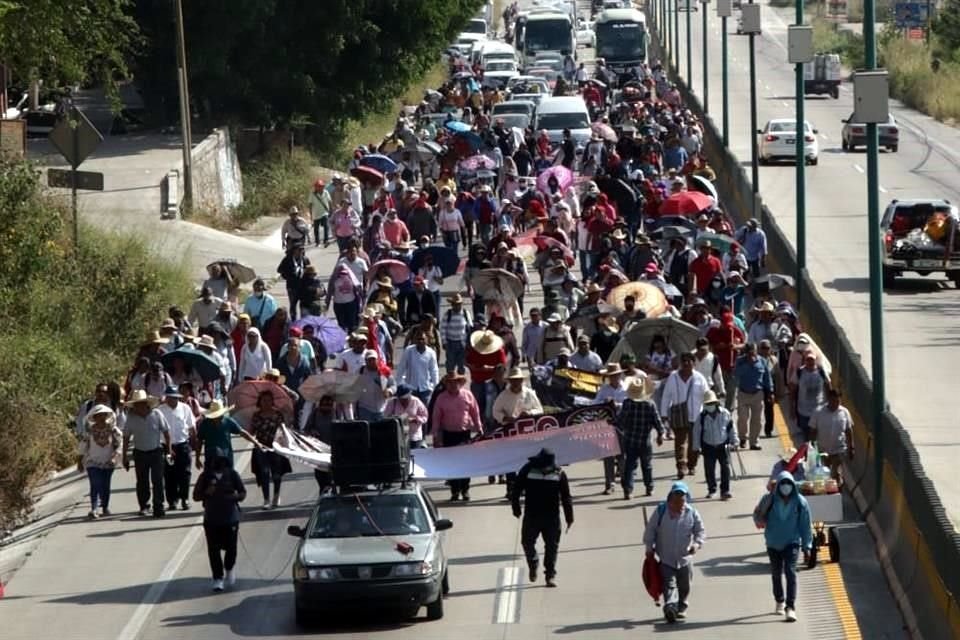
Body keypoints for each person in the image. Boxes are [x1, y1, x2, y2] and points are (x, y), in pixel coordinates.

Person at [754, 471, 813, 623]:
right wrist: (759, 521)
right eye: (783, 483)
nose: (786, 486)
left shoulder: (800, 502)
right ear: (778, 485)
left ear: (793, 485)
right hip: (773, 543)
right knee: (776, 573)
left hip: (792, 542)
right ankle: (779, 600)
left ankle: (790, 607)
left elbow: (805, 524)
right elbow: (757, 513)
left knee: (790, 572)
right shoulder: (769, 500)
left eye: (788, 483)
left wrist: (807, 545)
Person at [643, 482, 706, 624]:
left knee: (685, 586)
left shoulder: (692, 513)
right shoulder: (661, 512)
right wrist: (649, 548)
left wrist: (696, 545)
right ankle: (670, 607)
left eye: (682, 500)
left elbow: (700, 532)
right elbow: (650, 530)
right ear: (670, 499)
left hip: (685, 558)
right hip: (666, 558)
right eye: (676, 500)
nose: (679, 504)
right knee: (669, 584)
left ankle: (681, 608)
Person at [511, 448, 574, 588]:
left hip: (552, 517)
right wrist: (516, 508)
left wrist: (569, 517)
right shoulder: (528, 470)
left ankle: (550, 575)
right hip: (532, 515)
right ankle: (533, 562)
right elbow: (516, 489)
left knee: (552, 546)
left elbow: (566, 497)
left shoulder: (559, 473)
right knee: (527, 543)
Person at [193, 449, 247, 592]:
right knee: (213, 550)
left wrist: (234, 497)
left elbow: (243, 492)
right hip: (211, 519)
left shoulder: (232, 474)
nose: (218, 463)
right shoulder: (205, 476)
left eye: (221, 460)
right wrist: (207, 492)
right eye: (215, 461)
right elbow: (196, 496)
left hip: (230, 518)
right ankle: (218, 578)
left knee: (231, 548)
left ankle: (229, 567)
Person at [431, 372, 483, 501]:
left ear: (459, 382)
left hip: (464, 434)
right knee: (451, 464)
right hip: (449, 434)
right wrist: (435, 435)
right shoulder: (441, 398)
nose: (453, 384)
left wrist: (479, 428)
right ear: (446, 384)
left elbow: (475, 412)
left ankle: (465, 490)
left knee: (466, 463)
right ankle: (455, 491)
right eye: (450, 382)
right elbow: (436, 417)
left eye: (455, 382)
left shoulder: (467, 395)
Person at [122, 390, 172, 518]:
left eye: (141, 403)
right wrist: (124, 457)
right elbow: (126, 437)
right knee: (142, 481)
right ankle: (144, 505)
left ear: (146, 403)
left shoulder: (157, 414)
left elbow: (166, 432)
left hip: (156, 451)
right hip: (140, 453)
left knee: (157, 480)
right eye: (136, 404)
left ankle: (158, 506)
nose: (139, 406)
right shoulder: (131, 418)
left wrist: (169, 450)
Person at [659, 353, 709, 479]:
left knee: (694, 444)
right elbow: (666, 396)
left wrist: (708, 412)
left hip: (696, 416)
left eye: (689, 361)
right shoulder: (673, 377)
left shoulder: (699, 378)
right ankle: (681, 466)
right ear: (681, 363)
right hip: (679, 415)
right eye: (684, 361)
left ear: (694, 363)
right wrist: (664, 414)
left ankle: (692, 465)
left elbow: (707, 396)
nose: (686, 363)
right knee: (680, 442)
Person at [618, 379, 664, 499]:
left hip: (630, 440)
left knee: (630, 465)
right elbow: (657, 421)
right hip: (645, 440)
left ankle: (628, 490)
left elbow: (620, 421)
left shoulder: (627, 403)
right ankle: (649, 487)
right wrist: (660, 434)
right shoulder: (650, 404)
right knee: (647, 465)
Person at [78, 404, 124, 519]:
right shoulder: (89, 432)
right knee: (95, 484)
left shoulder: (113, 430)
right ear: (94, 417)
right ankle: (94, 508)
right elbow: (82, 446)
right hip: (92, 461)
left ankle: (105, 507)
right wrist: (79, 461)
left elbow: (120, 444)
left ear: (107, 416)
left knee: (105, 485)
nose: (101, 417)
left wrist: (115, 457)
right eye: (98, 415)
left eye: (103, 415)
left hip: (108, 462)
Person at [157, 385, 197, 512]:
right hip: (166, 446)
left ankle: (185, 498)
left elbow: (191, 427)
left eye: (174, 397)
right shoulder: (160, 410)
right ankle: (172, 500)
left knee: (185, 473)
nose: (171, 400)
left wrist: (194, 442)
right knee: (169, 474)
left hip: (182, 445)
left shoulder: (185, 408)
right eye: (169, 397)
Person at [249, 390, 291, 509]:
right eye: (264, 400)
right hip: (261, 447)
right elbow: (251, 432)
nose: (266, 403)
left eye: (269, 400)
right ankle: (266, 499)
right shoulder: (256, 416)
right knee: (264, 472)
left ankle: (276, 496)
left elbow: (284, 429)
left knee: (277, 473)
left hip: (276, 447)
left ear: (272, 401)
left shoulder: (278, 414)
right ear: (260, 402)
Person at [692, 390, 737, 500]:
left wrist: (735, 441)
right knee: (709, 469)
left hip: (723, 446)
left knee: (725, 468)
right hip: (708, 447)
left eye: (712, 403)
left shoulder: (725, 413)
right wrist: (696, 447)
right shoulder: (701, 417)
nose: (710, 406)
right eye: (708, 404)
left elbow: (731, 428)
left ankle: (725, 491)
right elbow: (696, 432)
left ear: (716, 403)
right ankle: (712, 489)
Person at [195, 399, 258, 469]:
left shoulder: (228, 421)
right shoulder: (205, 424)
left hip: (227, 458)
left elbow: (242, 432)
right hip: (211, 459)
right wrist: (197, 458)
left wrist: (255, 442)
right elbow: (199, 441)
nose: (217, 417)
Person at [734, 343, 774, 450]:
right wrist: (747, 364)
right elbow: (736, 374)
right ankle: (742, 438)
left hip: (757, 394)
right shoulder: (740, 361)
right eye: (749, 352)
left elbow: (767, 377)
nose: (751, 354)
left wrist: (770, 392)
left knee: (757, 420)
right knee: (743, 418)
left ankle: (754, 442)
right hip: (743, 393)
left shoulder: (762, 361)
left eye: (753, 351)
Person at [809, 388, 855, 482]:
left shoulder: (845, 412)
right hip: (822, 450)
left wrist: (851, 447)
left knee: (836, 473)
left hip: (839, 450)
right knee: (824, 474)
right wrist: (811, 448)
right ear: (828, 399)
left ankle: (839, 488)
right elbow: (813, 431)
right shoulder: (818, 412)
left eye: (838, 401)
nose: (835, 404)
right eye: (833, 401)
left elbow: (848, 430)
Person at [396, 331, 440, 407]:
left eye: (423, 339)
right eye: (418, 339)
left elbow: (434, 370)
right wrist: (398, 383)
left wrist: (436, 386)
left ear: (426, 340)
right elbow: (401, 367)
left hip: (425, 389)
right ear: (415, 340)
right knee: (411, 410)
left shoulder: (431, 353)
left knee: (425, 410)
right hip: (410, 388)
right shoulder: (409, 351)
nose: (420, 341)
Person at [356, 349, 397, 422]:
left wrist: (389, 391)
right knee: (367, 428)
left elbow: (394, 385)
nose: (372, 362)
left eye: (373, 359)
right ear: (365, 361)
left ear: (377, 360)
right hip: (364, 408)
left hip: (381, 408)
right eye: (369, 360)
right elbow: (353, 385)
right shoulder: (360, 371)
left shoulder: (384, 371)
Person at [277, 244, 311, 321]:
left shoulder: (305, 259)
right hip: (292, 287)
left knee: (304, 305)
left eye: (302, 249)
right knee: (293, 305)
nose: (301, 251)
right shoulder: (288, 259)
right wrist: (287, 276)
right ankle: (293, 321)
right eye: (299, 249)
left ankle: (303, 321)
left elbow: (310, 270)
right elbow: (279, 270)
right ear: (294, 250)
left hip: (303, 286)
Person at [441, 293, 472, 374]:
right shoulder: (448, 314)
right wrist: (444, 342)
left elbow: (470, 327)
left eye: (458, 304)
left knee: (462, 365)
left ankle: (461, 379)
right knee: (450, 365)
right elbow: (443, 329)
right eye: (455, 304)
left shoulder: (465, 313)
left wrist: (469, 343)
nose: (457, 306)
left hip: (462, 343)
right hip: (450, 343)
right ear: (452, 305)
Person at [310, 179, 332, 247]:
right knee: (316, 229)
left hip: (324, 212)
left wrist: (331, 209)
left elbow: (329, 201)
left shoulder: (326, 192)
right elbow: (310, 204)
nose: (320, 187)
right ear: (316, 187)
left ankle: (326, 240)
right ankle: (317, 242)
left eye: (321, 186)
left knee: (326, 226)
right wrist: (311, 214)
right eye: (318, 186)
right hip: (316, 213)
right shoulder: (312, 194)